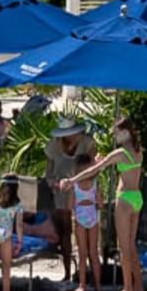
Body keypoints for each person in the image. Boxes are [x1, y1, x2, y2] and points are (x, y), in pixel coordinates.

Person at [64, 116, 146, 291]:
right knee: (131, 246)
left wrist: (72, 180)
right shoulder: (138, 151)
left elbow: (93, 170)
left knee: (123, 247)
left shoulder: (120, 153)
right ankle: (139, 287)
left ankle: (128, 290)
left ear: (125, 132)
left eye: (116, 132)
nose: (113, 135)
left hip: (124, 199)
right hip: (137, 198)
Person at [44, 119, 88, 282]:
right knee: (64, 231)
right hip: (60, 192)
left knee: (80, 233)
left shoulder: (86, 142)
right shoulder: (53, 147)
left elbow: (91, 168)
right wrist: (56, 184)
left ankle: (82, 274)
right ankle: (68, 272)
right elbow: (48, 174)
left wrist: (76, 182)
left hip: (82, 191)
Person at [68, 148, 102, 291]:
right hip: (85, 217)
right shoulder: (75, 187)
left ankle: (94, 283)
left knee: (91, 253)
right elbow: (71, 205)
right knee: (85, 253)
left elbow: (100, 202)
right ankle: (85, 284)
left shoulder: (94, 185)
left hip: (88, 216)